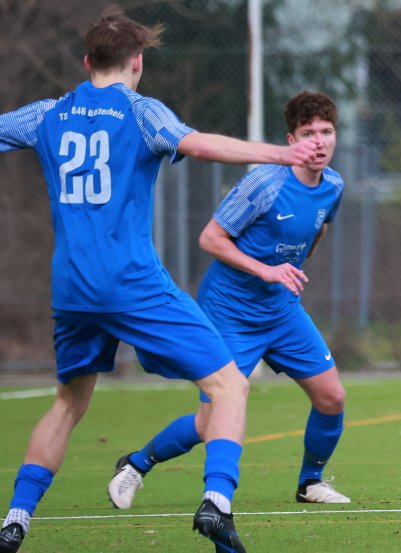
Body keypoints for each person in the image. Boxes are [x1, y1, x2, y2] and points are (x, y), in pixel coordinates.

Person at [0, 6, 316, 553]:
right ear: (137, 63)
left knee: (68, 403)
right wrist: (281, 152)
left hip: (71, 288)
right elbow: (196, 144)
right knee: (228, 385)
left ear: (86, 61)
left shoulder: (47, 114)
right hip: (129, 282)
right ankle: (217, 504)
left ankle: (15, 519)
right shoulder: (141, 113)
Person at [107, 91, 350, 510]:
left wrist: (286, 269)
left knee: (332, 397)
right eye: (308, 133)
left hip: (281, 310)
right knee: (211, 420)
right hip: (230, 313)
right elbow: (210, 239)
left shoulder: (333, 185)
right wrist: (267, 269)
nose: (319, 142)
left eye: (327, 132)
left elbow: (318, 228)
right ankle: (135, 464)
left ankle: (309, 483)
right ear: (291, 139)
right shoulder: (264, 184)